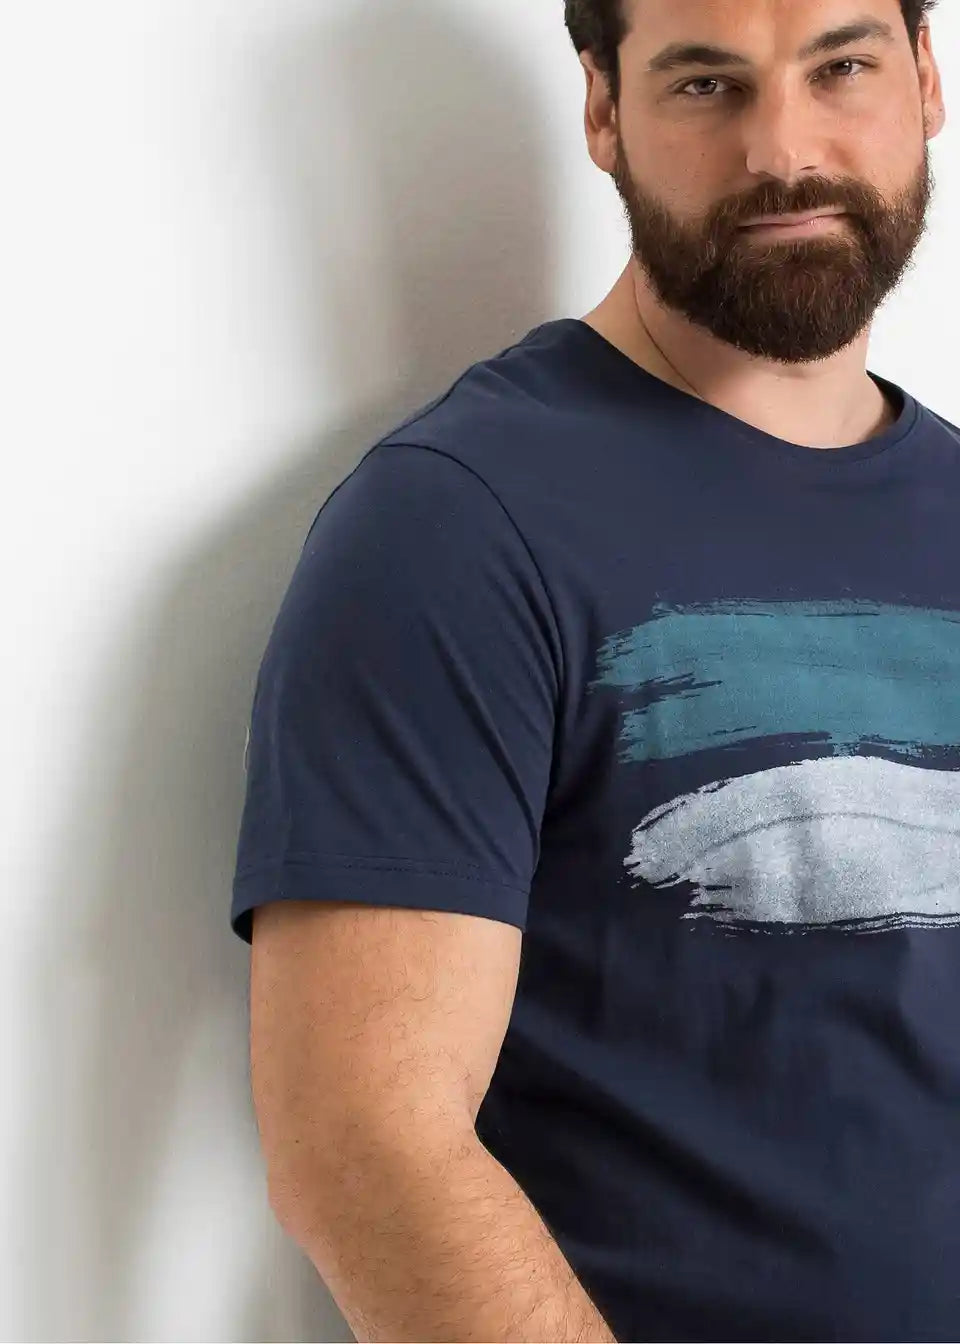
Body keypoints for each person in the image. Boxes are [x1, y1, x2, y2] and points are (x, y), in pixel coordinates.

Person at [230, 1, 959, 1339]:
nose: (782, 148)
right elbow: (366, 1149)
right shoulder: (456, 522)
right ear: (604, 109)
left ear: (925, 79)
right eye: (706, 85)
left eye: (842, 66)